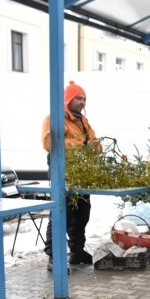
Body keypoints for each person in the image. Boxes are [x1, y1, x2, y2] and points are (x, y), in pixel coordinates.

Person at [41, 80, 99, 270]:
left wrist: (94, 147)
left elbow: (97, 144)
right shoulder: (55, 118)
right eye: (78, 98)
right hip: (62, 171)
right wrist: (81, 145)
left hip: (83, 172)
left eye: (84, 98)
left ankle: (77, 251)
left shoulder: (83, 121)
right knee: (61, 212)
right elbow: (50, 142)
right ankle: (53, 255)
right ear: (68, 99)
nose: (82, 102)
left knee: (82, 212)